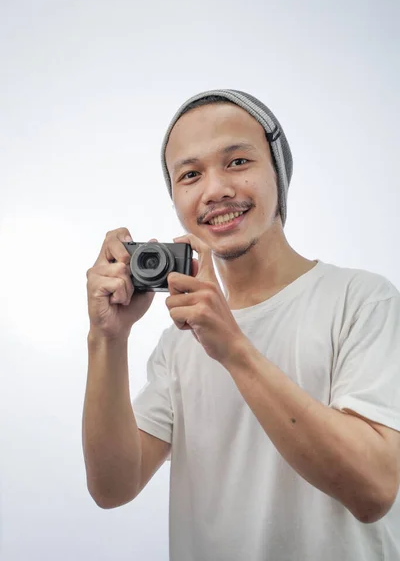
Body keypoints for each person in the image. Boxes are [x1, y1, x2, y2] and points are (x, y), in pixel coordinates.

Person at [83, 89, 400, 561]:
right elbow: (113, 487)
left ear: (279, 172)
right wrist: (108, 339)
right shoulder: (178, 344)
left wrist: (233, 349)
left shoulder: (362, 300)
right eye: (190, 174)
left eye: (236, 162)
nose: (214, 190)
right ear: (175, 199)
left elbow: (374, 489)